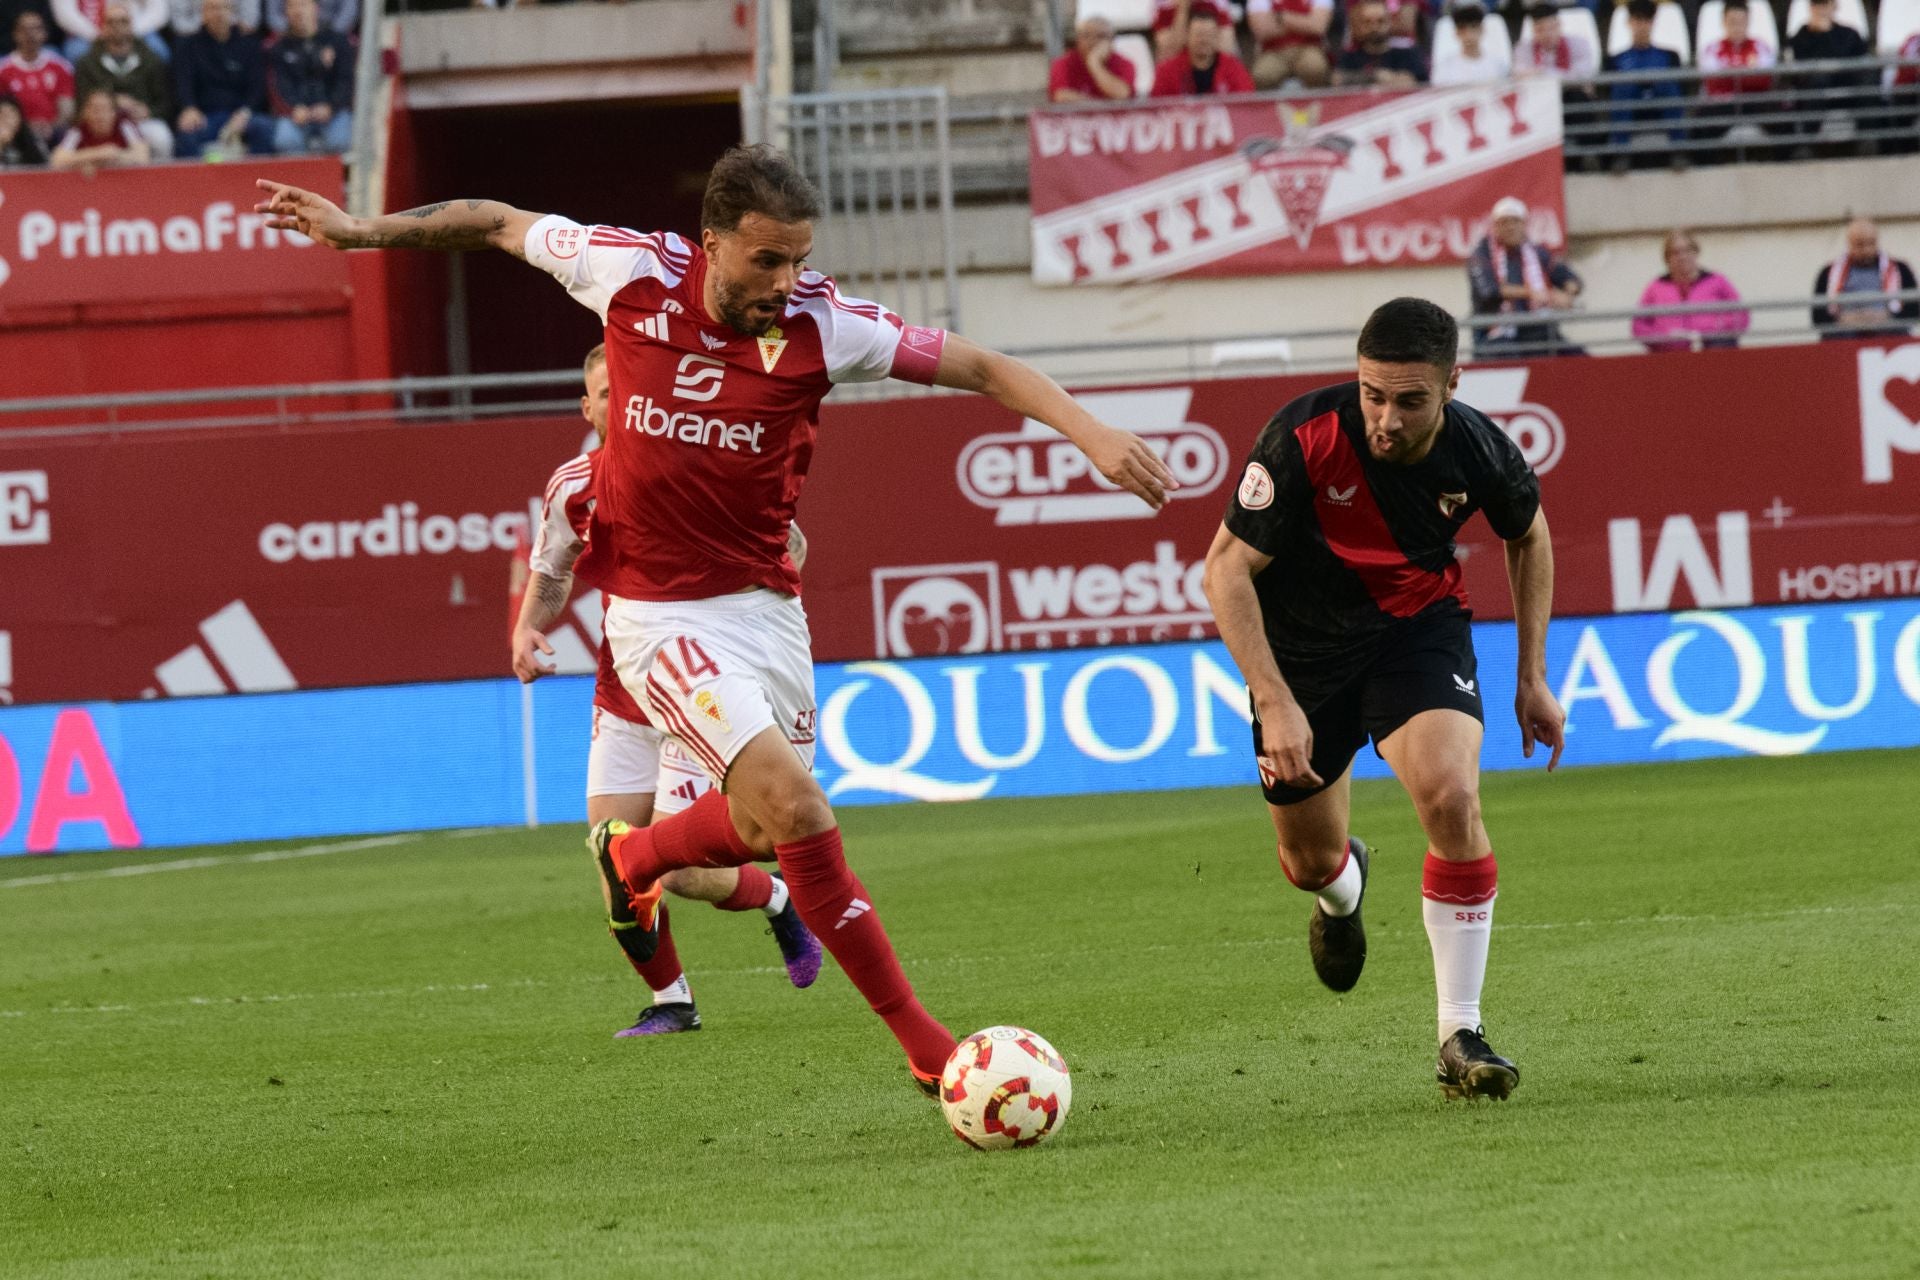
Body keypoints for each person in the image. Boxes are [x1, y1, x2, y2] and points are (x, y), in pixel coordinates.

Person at [255, 145, 1176, 1095]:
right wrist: (357, 230)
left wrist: (1093, 435)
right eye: (765, 261)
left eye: (797, 260)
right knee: (802, 810)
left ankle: (641, 854)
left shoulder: (826, 325)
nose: (786, 282)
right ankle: (927, 1048)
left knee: (758, 831)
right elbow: (496, 219)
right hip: (658, 615)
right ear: (711, 245)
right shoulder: (631, 271)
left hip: (768, 610)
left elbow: (982, 366)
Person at [1202, 296, 1564, 1102]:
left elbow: (1528, 534)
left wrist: (1531, 675)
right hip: (1299, 658)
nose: (1386, 418)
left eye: (1409, 400)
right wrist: (1275, 696)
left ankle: (1458, 1033)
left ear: (1451, 386)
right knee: (1307, 863)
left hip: (1415, 634)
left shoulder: (1480, 449)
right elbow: (1224, 569)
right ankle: (1344, 887)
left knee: (1453, 797)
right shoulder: (1301, 436)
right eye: (1372, 394)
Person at [513, 343, 824, 1038]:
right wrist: (528, 629)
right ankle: (673, 1001)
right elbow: (554, 568)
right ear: (588, 407)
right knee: (612, 857)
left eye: (628, 385)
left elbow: (787, 546)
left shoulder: (702, 471)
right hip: (624, 692)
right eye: (603, 390)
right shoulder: (573, 486)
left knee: (681, 871)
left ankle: (776, 897)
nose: (618, 400)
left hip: (700, 683)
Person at [1467, 195, 1584, 356]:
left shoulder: (1537, 252)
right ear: (1495, 227)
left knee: (1580, 359)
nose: (1510, 227)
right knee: (1512, 359)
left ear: (1524, 224)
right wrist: (1536, 293)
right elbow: (1490, 291)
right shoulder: (1481, 255)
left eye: (1515, 221)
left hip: (1536, 332)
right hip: (1496, 335)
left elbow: (1571, 279)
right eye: (1504, 222)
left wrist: (1567, 295)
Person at [173, 0, 272, 157]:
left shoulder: (249, 45)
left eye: (224, 8)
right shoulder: (189, 46)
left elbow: (258, 87)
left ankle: (255, 177)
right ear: (203, 14)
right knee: (186, 135)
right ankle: (198, 181)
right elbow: (183, 82)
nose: (219, 13)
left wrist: (245, 113)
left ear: (232, 13)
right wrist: (190, 107)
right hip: (205, 116)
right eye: (213, 8)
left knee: (263, 127)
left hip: (241, 114)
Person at [73, 2, 170, 158]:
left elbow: (165, 102)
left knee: (161, 136)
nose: (117, 27)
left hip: (141, 121)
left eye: (123, 21)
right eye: (111, 22)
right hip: (100, 123)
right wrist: (111, 103)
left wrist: (149, 111)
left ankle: (161, 182)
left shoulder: (151, 60)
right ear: (102, 27)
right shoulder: (87, 63)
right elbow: (81, 103)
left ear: (132, 25)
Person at [1632, 230, 1749, 352]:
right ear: (1667, 258)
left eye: (1687, 250)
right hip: (1668, 353)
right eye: (1675, 253)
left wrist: (1712, 329)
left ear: (1696, 253)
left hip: (1712, 347)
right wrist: (1663, 337)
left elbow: (1741, 314)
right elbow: (1639, 325)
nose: (1682, 257)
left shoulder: (1716, 281)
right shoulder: (1655, 287)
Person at [1810, 217, 1918, 341]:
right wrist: (1844, 319)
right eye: (1859, 244)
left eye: (1871, 243)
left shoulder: (1900, 269)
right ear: (1849, 244)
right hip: (1843, 336)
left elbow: (1914, 310)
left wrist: (1887, 317)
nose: (1866, 250)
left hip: (1889, 334)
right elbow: (1818, 317)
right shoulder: (1828, 273)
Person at [265, 0, 349, 153]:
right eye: (292, 6)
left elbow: (346, 81)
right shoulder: (279, 47)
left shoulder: (337, 41)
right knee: (285, 140)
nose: (298, 11)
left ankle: (337, 176)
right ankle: (297, 178)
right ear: (286, 13)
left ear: (315, 8)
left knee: (340, 141)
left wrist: (331, 106)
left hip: (332, 111)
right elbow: (278, 85)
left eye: (303, 4)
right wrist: (294, 108)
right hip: (296, 114)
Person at [1605, 0, 1684, 156]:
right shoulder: (1616, 60)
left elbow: (1680, 88)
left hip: (1658, 105)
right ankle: (1621, 154)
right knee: (1622, 89)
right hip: (1632, 108)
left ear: (1652, 23)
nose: (1641, 26)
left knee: (1668, 86)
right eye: (1637, 20)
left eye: (1646, 20)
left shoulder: (1670, 56)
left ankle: (1678, 150)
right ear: (1629, 23)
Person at [1785, 0, 1870, 137]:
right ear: (1810, 8)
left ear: (1834, 6)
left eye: (1825, 5)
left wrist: (1827, 34)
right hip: (1813, 93)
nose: (1821, 10)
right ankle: (1807, 143)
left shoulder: (1850, 34)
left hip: (1847, 90)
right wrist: (1820, 34)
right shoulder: (1800, 37)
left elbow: (1860, 64)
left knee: (1868, 82)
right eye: (1817, 5)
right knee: (1818, 80)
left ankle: (1869, 139)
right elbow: (1797, 69)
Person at [1151, 2, 1255, 97]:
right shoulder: (1167, 72)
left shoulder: (1233, 69)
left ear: (1217, 35)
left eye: (1208, 35)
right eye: (1199, 35)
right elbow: (1156, 107)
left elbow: (1246, 105)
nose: (1203, 40)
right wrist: (1183, 8)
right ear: (1187, 36)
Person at [1, 10, 73, 144]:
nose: (30, 34)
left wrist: (51, 126)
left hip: (54, 133)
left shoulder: (60, 67)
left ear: (45, 34)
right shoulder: (4, 70)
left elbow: (67, 108)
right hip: (16, 134)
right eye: (24, 30)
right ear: (15, 34)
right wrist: (25, 128)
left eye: (36, 29)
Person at [1333, 0, 1429, 86]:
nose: (1374, 27)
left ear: (1390, 23)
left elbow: (1415, 81)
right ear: (1359, 25)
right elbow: (1337, 79)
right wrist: (1374, 77)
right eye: (1367, 22)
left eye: (1380, 21)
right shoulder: (1349, 56)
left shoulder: (1408, 54)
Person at [49, 81, 144, 165]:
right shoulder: (78, 130)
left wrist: (116, 154)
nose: (100, 115)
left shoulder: (124, 126)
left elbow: (142, 158)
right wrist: (98, 153)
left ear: (114, 112)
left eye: (104, 109)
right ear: (85, 112)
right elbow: (57, 160)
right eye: (95, 110)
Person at [1047, 14, 1136, 103]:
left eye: (1101, 36)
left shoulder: (1124, 63)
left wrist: (1094, 63)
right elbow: (1062, 96)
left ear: (1112, 41)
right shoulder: (1063, 63)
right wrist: (1102, 106)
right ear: (1078, 39)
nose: (1093, 41)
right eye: (1086, 35)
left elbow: (1122, 95)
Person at [1246, 0, 1332, 90]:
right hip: (1273, 51)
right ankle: (1270, 104)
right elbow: (1263, 32)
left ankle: (1318, 102)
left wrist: (1281, 17)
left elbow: (1318, 27)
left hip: (1309, 47)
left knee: (1315, 67)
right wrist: (1304, 23)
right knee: (1261, 75)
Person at [51, 0, 164, 60]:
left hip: (134, 29)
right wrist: (96, 35)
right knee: (77, 52)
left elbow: (159, 11)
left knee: (156, 49)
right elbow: (65, 14)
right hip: (88, 34)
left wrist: (130, 31)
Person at [1431, 5, 1509, 86]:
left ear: (1482, 29)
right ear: (1456, 32)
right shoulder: (1445, 68)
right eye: (1462, 28)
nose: (1468, 33)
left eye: (1473, 26)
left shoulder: (1498, 66)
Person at [1151, 0, 1232, 62]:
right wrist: (1183, 9)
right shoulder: (1165, 10)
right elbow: (1169, 54)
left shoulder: (1214, 6)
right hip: (1178, 73)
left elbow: (1226, 51)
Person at [0, 89, 50, 162]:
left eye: (10, 115)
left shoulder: (31, 139)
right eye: (2, 115)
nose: (7, 120)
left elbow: (44, 165)